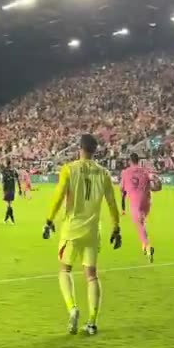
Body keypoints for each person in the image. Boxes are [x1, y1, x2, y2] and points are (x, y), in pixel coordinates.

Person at [43, 133, 121, 336]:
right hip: (93, 231)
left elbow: (59, 195)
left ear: (80, 148)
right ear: (95, 151)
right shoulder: (103, 173)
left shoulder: (69, 169)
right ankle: (92, 322)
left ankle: (72, 308)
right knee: (92, 276)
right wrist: (116, 227)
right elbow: (112, 203)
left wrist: (49, 220)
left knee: (65, 270)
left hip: (72, 229)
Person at [120, 152, 161, 262]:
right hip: (147, 202)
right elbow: (154, 179)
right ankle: (144, 245)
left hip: (135, 202)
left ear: (129, 161)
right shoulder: (145, 170)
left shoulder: (125, 172)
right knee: (142, 221)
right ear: (138, 160)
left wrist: (123, 208)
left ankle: (147, 246)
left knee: (139, 223)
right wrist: (155, 185)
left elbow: (122, 191)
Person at [0, 159, 21, 224]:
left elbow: (3, 181)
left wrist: (2, 190)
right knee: (9, 204)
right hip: (12, 189)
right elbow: (18, 180)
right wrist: (20, 189)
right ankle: (6, 219)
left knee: (8, 205)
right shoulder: (14, 171)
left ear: (6, 163)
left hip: (7, 189)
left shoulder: (4, 171)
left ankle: (12, 219)